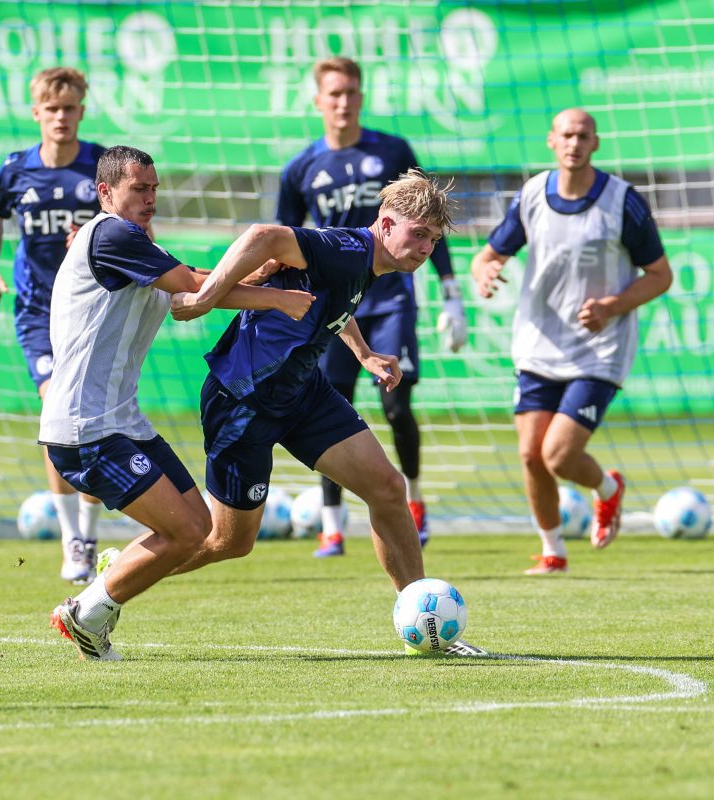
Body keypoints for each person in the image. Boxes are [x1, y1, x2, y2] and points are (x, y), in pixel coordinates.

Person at [75, 169, 484, 660]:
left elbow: (332, 303)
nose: (423, 248)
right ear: (385, 224)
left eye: (432, 240)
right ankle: (118, 574)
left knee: (387, 489)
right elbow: (262, 237)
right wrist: (205, 299)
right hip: (243, 400)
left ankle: (424, 617)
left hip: (303, 394)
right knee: (227, 540)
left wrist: (363, 352)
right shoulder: (348, 247)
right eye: (416, 234)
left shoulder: (365, 265)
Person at [44, 145, 314, 661]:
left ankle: (99, 596)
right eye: (138, 189)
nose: (150, 198)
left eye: (154, 188)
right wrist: (276, 298)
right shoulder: (113, 234)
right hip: (86, 429)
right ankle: (86, 614)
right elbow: (193, 289)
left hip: (120, 422)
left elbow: (193, 284)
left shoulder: (136, 245)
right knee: (187, 530)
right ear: (106, 193)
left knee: (200, 529)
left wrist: (253, 275)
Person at [276, 56, 468, 558]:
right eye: (334, 94)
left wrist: (450, 289)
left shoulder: (392, 150)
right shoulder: (300, 168)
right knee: (331, 401)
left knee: (396, 402)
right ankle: (332, 525)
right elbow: (282, 242)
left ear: (361, 97)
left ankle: (416, 502)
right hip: (336, 307)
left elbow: (428, 222)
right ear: (319, 100)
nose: (343, 102)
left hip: (390, 300)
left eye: (352, 93)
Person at [470, 108, 672, 575]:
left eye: (583, 135)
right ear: (551, 141)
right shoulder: (533, 195)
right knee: (529, 454)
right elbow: (485, 258)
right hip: (538, 344)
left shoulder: (623, 201)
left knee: (558, 454)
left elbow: (661, 276)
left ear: (595, 143)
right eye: (566, 134)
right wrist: (486, 275)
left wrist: (611, 306)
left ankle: (607, 489)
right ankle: (553, 551)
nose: (574, 143)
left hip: (598, 350)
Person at [0, 67, 108, 584]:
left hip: (92, 310)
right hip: (38, 311)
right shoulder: (16, 170)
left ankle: (92, 531)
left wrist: (96, 232)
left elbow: (135, 222)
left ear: (81, 110)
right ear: (37, 113)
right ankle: (70, 540)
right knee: (57, 409)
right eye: (51, 108)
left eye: (70, 107)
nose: (61, 116)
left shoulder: (101, 165)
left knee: (91, 420)